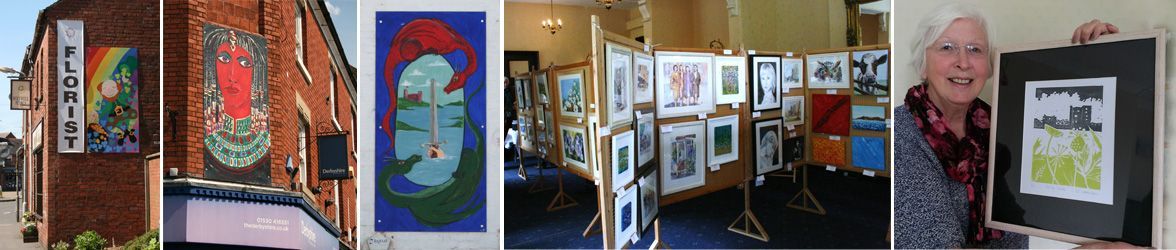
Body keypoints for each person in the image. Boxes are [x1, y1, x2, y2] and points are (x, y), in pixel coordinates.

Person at [893, 3, 1131, 249]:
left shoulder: (997, 130)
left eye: (975, 49)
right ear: (922, 64)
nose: (963, 62)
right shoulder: (904, 136)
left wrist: (1100, 54)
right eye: (947, 47)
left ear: (989, 66)